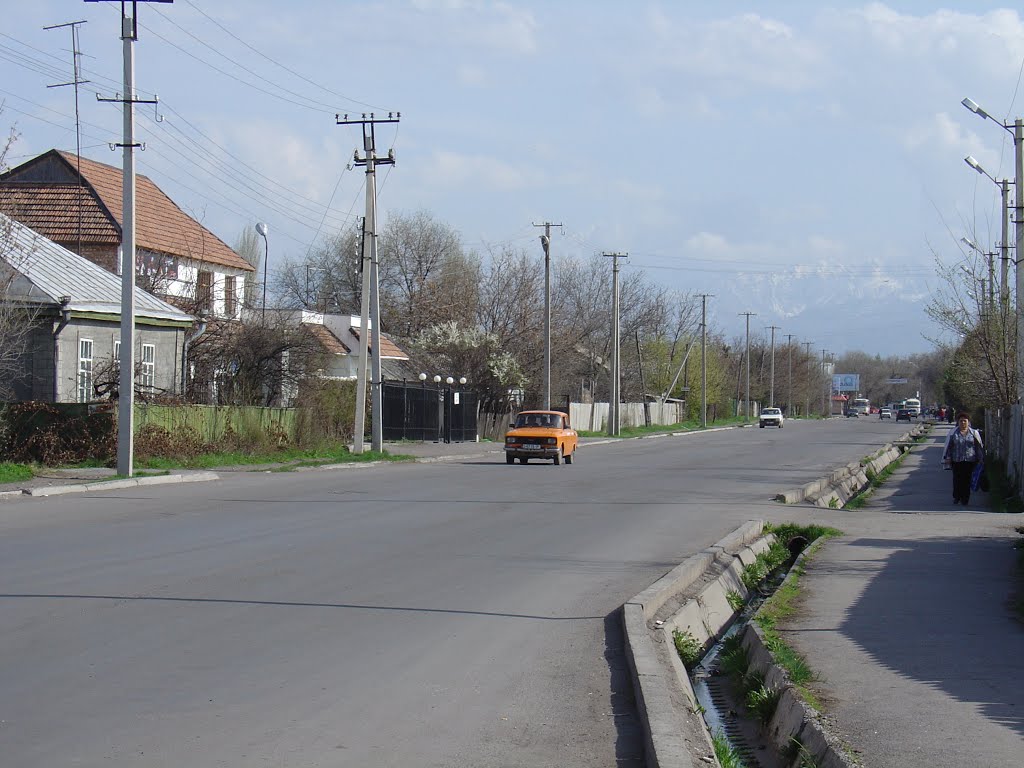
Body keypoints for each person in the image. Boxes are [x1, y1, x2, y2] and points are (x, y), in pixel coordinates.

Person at [942, 412, 983, 506]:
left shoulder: (974, 433)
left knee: (967, 480)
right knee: (957, 479)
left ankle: (965, 498)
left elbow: (978, 447)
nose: (963, 423)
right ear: (958, 422)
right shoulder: (953, 433)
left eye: (965, 421)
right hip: (956, 460)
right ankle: (957, 497)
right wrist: (947, 458)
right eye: (961, 421)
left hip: (970, 460)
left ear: (968, 422)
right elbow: (949, 446)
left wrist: (981, 459)